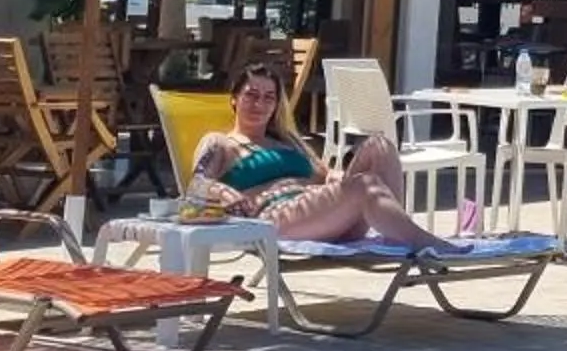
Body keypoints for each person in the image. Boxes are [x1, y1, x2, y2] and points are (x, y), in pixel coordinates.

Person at [186, 64, 456, 246]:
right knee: (365, 185)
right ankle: (427, 246)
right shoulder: (220, 142)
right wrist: (221, 191)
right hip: (276, 219)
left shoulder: (287, 140)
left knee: (380, 145)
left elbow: (326, 176)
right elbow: (194, 185)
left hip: (322, 211)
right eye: (251, 95)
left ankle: (400, 240)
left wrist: (341, 178)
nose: (259, 104)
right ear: (234, 99)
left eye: (269, 97)